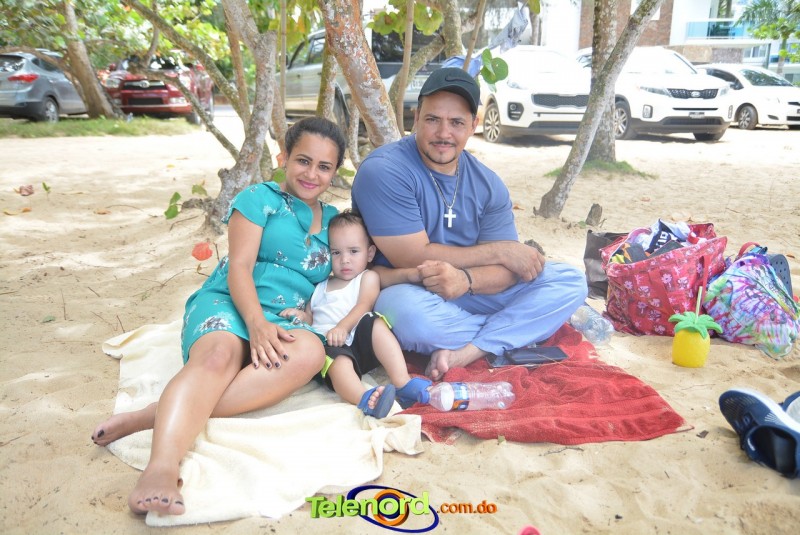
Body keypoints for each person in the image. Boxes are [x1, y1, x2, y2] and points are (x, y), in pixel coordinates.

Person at [91, 116, 348, 517]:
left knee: (311, 354)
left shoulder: (336, 222)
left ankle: (153, 414)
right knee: (217, 358)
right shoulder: (257, 199)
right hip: (230, 299)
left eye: (324, 166)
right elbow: (239, 267)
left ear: (335, 172)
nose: (312, 174)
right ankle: (162, 467)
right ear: (283, 157)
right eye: (303, 160)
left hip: (286, 317)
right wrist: (256, 324)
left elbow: (348, 274)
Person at [351, 67, 588, 381]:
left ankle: (470, 350)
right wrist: (499, 251)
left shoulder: (488, 183)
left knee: (571, 281)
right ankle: (516, 330)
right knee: (410, 317)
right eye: (433, 119)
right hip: (411, 287)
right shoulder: (384, 170)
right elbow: (411, 256)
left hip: (474, 289)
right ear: (416, 117)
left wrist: (466, 280)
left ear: (474, 125)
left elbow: (509, 269)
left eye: (457, 122)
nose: (443, 133)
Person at [279, 211, 432, 416]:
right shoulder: (320, 287)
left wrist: (342, 327)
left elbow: (364, 305)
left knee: (374, 321)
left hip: (360, 343)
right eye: (336, 252)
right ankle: (365, 399)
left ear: (369, 253)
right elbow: (311, 317)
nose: (345, 260)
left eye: (353, 251)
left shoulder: (367, 277)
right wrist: (300, 316)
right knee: (336, 358)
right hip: (330, 348)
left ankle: (402, 382)